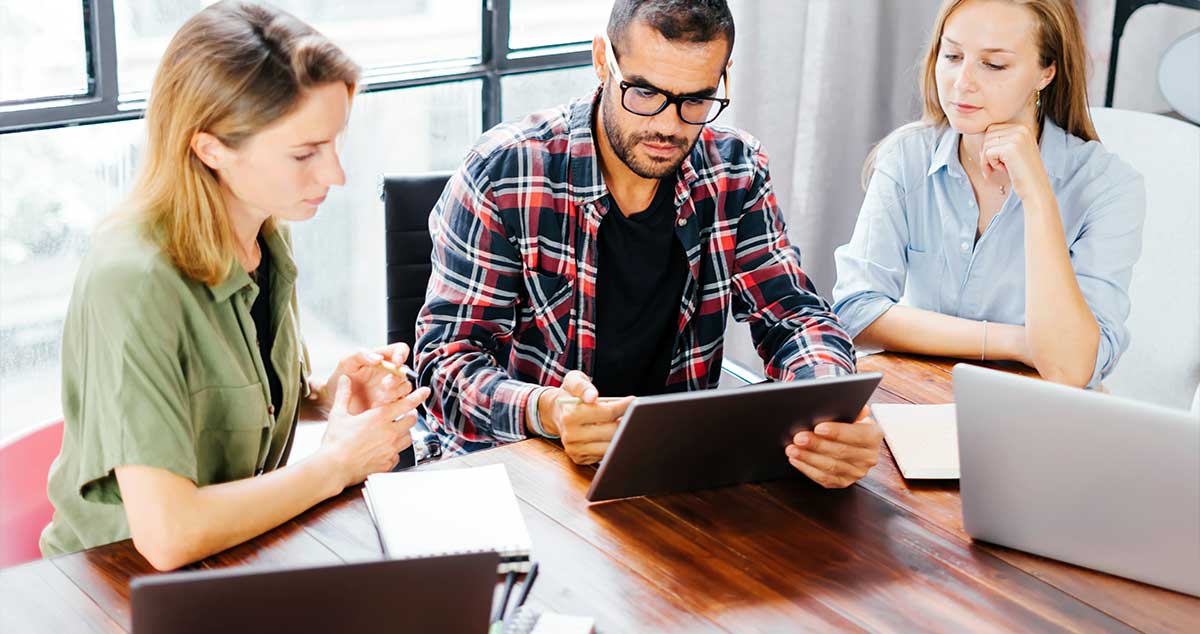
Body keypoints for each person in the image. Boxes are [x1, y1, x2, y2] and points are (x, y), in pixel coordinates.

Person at [415, 0, 881, 490]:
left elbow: (792, 316)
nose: (669, 125)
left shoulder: (734, 170)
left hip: (671, 475)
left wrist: (830, 409)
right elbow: (445, 361)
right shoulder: (506, 172)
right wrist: (546, 410)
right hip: (528, 474)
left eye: (696, 100)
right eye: (644, 92)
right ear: (602, 60)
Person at [41, 1, 430, 569]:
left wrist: (328, 396)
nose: (336, 175)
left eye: (334, 142)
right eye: (305, 153)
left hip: (231, 561)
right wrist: (336, 465)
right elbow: (168, 535)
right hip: (115, 584)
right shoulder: (132, 280)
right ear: (210, 148)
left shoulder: (263, 229)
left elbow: (241, 397)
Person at [832, 0, 1144, 388]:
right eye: (952, 55)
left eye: (993, 65)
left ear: (1046, 72)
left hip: (1036, 412)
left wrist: (1037, 196)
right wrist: (1016, 342)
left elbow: (1068, 369)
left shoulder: (1107, 186)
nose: (962, 82)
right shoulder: (907, 157)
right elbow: (855, 312)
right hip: (920, 394)